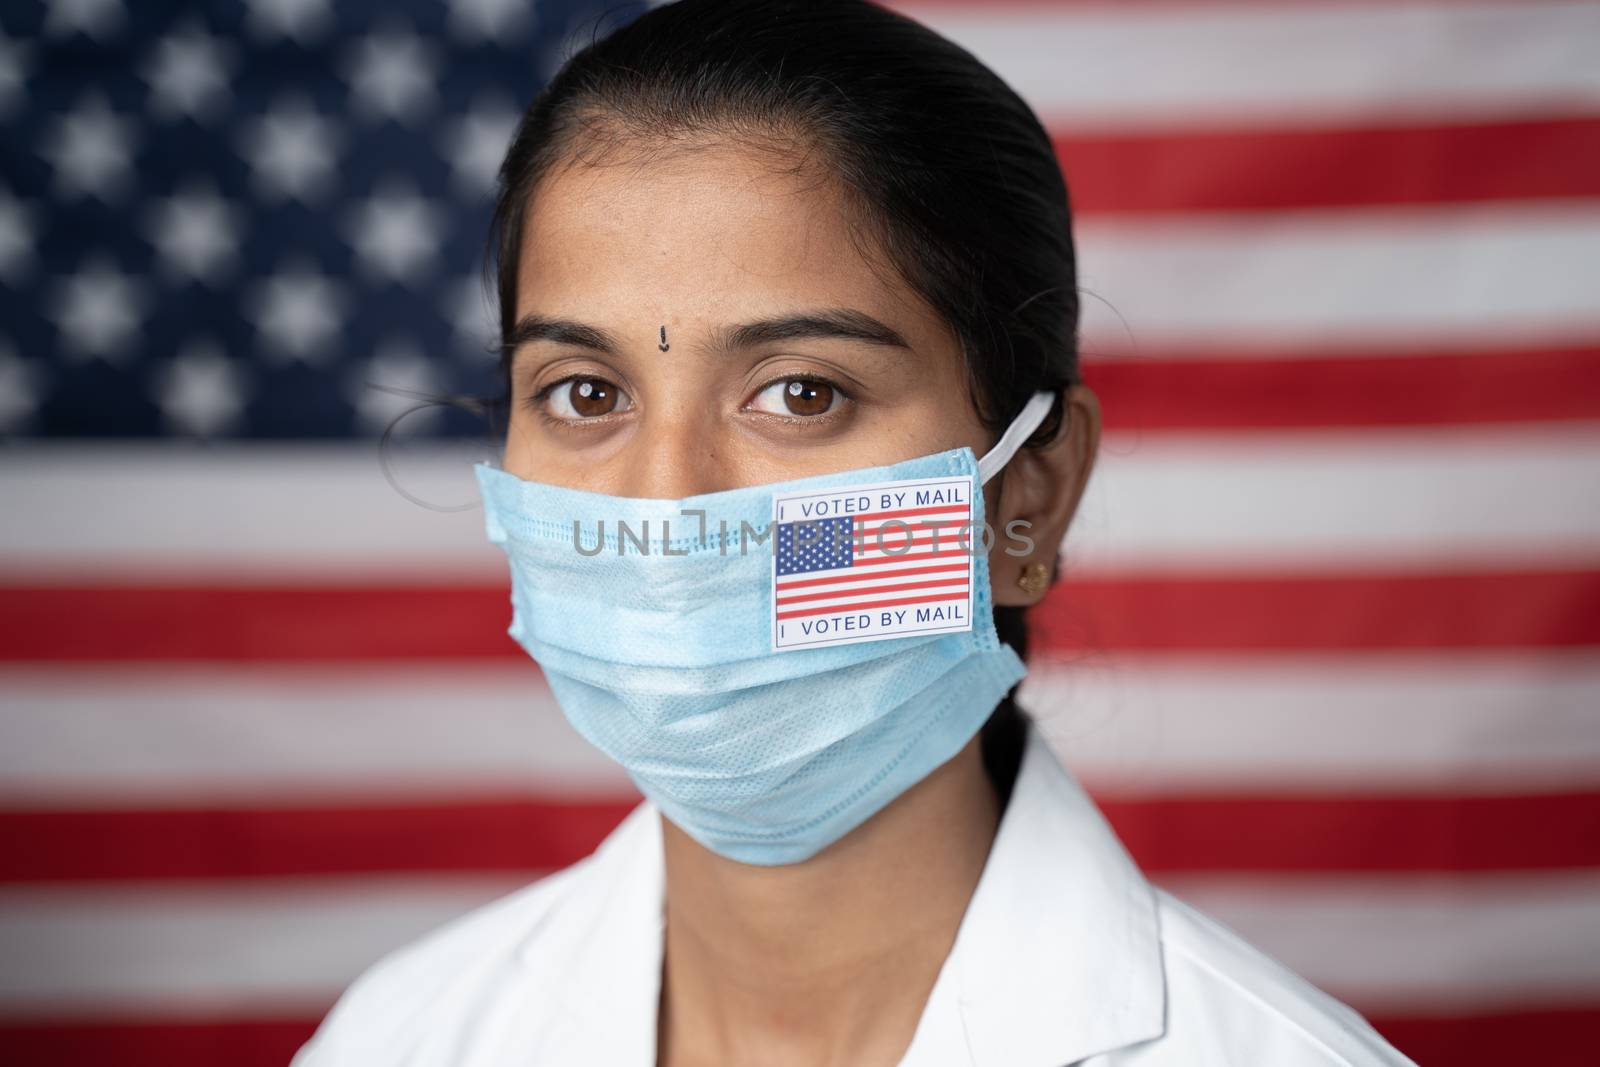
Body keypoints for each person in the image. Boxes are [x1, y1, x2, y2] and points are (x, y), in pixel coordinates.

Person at [291, 1, 1418, 1063]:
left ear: (1028, 490)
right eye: (587, 394)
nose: (667, 511)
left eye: (801, 393)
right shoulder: (401, 1035)